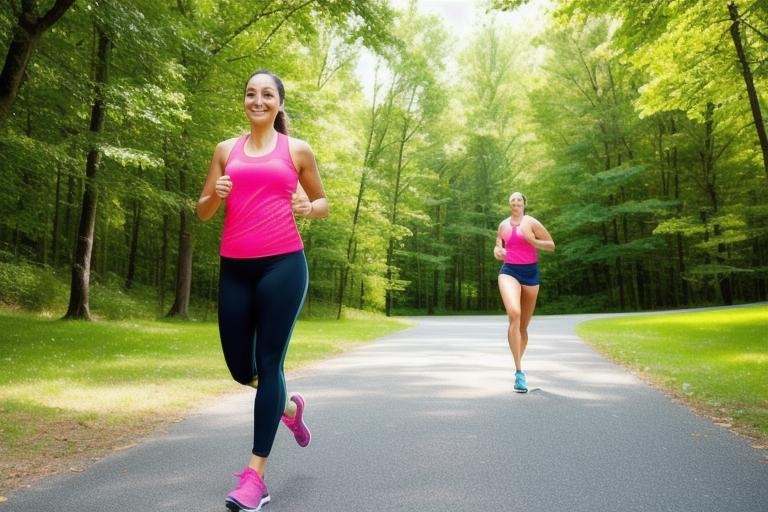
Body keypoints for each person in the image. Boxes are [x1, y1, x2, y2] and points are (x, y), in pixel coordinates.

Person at [196, 69, 328, 512]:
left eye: (266, 94)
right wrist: (215, 193)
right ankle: (288, 409)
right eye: (250, 93)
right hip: (235, 268)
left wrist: (309, 207)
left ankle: (255, 477)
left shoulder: (297, 150)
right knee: (240, 367)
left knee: (270, 363)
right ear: (243, 101)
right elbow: (203, 212)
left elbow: (322, 203)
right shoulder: (224, 150)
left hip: (283, 265)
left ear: (279, 103)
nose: (258, 100)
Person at [493, 192, 554, 393]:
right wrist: (497, 251)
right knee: (514, 314)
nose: (516, 203)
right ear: (509, 204)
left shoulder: (531, 222)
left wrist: (533, 241)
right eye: (513, 200)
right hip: (509, 271)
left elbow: (551, 245)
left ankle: (518, 361)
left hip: (530, 274)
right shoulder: (503, 225)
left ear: (524, 204)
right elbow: (498, 246)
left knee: (523, 327)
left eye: (519, 200)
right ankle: (519, 373)